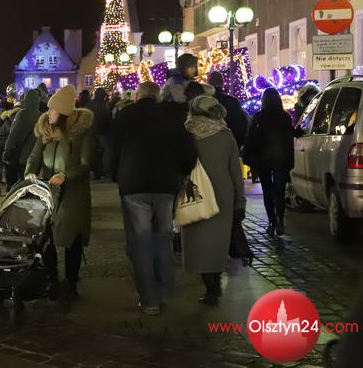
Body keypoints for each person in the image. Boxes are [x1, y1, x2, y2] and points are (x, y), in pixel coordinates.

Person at [109, 82, 197, 316]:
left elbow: (113, 148)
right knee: (162, 238)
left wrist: (116, 174)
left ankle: (149, 299)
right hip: (165, 186)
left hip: (134, 185)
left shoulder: (126, 115)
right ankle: (163, 286)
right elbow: (188, 153)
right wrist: (180, 172)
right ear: (158, 97)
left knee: (140, 242)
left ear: (137, 96)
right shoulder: (171, 117)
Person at [25, 85, 93, 311]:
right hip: (48, 192)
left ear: (63, 112)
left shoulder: (80, 134)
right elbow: (34, 157)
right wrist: (31, 172)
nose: (48, 113)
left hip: (74, 195)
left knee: (72, 239)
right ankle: (52, 280)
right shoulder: (45, 131)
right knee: (46, 238)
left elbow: (86, 163)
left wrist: (66, 175)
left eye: (52, 109)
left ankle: (71, 282)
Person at [182, 96, 246, 306]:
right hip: (222, 193)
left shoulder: (186, 133)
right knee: (217, 241)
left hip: (194, 192)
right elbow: (235, 171)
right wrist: (240, 198)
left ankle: (208, 283)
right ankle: (214, 282)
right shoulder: (225, 134)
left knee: (197, 239)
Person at [243, 88, 294, 236]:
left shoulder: (258, 117)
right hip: (281, 158)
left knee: (267, 191)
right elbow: (289, 135)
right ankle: (280, 221)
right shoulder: (284, 116)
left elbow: (250, 138)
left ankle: (272, 221)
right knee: (279, 191)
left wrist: (248, 156)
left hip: (263, 158)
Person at [3, 89, 42, 187]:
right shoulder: (40, 115)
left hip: (22, 157)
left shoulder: (22, 114)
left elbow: (14, 135)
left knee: (21, 183)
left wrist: (7, 153)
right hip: (35, 158)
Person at [207, 71, 249, 148]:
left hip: (210, 145)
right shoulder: (232, 101)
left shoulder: (205, 102)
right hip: (231, 143)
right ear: (222, 83)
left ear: (208, 83)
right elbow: (242, 125)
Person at [86, 88, 112, 179]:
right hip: (102, 132)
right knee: (103, 153)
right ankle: (102, 171)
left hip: (92, 131)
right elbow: (107, 119)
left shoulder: (90, 104)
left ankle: (95, 171)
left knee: (93, 153)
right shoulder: (104, 105)